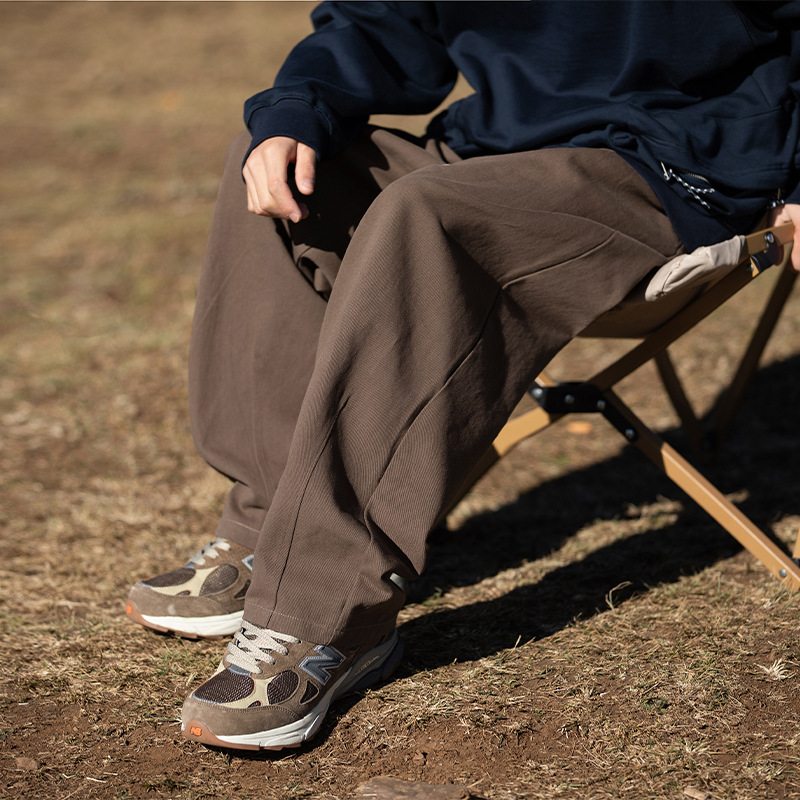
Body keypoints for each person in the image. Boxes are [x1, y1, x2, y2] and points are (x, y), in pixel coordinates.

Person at [125, 1, 800, 751]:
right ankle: (266, 524)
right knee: (280, 165)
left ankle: (323, 610)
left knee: (427, 215)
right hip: (500, 149)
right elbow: (381, 22)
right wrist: (292, 111)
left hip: (668, 168)